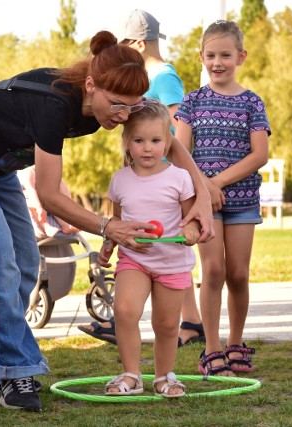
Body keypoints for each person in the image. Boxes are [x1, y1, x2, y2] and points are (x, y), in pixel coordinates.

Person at [0, 30, 213, 412]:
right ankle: (18, 370)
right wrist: (107, 226)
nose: (122, 115)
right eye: (116, 105)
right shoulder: (53, 105)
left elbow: (164, 131)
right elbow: (50, 195)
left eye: (129, 108)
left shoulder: (120, 99)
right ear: (90, 86)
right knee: (0, 258)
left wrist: (201, 194)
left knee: (25, 262)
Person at [78, 9, 205, 348]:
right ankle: (182, 321)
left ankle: (187, 322)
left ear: (137, 42)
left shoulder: (162, 77)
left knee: (170, 262)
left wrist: (187, 179)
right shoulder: (147, 78)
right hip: (142, 175)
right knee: (153, 261)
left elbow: (177, 131)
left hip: (162, 177)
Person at [175, 20, 270, 376]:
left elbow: (259, 154)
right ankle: (211, 348)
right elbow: (180, 152)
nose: (218, 62)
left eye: (225, 55)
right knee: (212, 270)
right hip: (205, 204)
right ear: (201, 57)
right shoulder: (192, 102)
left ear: (240, 57)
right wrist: (205, 188)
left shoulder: (252, 102)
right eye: (211, 55)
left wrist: (217, 182)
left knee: (238, 274)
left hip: (243, 201)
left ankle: (235, 343)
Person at [101, 101, 200, 398]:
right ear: (127, 142)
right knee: (125, 310)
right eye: (139, 140)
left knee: (167, 323)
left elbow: (190, 219)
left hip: (172, 262)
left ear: (167, 141)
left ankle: (164, 377)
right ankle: (131, 374)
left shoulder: (179, 177)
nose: (147, 148)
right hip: (135, 259)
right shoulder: (120, 180)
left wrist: (191, 232)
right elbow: (116, 221)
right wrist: (109, 243)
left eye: (156, 141)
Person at [18, 165, 79, 239]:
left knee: (54, 201)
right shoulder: (27, 171)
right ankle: (45, 226)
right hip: (31, 203)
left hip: (45, 202)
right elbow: (31, 190)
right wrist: (39, 207)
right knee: (29, 201)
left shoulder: (45, 169)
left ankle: (65, 224)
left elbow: (61, 186)